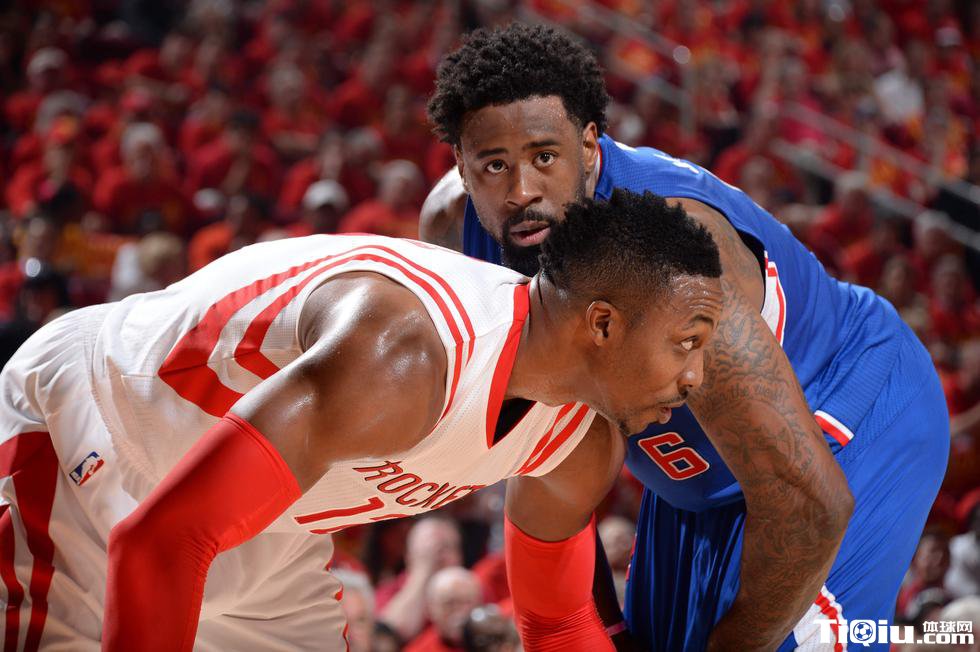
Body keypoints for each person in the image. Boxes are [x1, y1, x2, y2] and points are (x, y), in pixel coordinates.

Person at [0, 189, 724, 650]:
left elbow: (559, 624)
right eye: (686, 344)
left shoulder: (581, 443)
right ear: (603, 325)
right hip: (101, 438)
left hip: (263, 523)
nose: (695, 376)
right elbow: (159, 540)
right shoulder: (406, 354)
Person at [421, 22, 950, 651]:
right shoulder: (454, 231)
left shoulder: (675, 260)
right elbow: (540, 454)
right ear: (462, 166)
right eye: (494, 166)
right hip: (693, 469)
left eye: (544, 157)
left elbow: (811, 504)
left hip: (837, 414)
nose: (522, 191)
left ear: (589, 146)